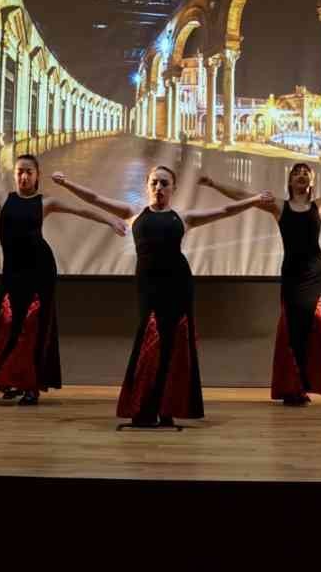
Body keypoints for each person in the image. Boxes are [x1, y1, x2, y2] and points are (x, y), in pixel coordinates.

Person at [52, 165, 272, 427]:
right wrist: (67, 184)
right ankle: (144, 407)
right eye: (155, 183)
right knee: (150, 339)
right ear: (147, 185)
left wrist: (255, 200)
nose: (159, 188)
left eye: (165, 184)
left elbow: (225, 211)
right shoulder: (134, 213)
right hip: (148, 284)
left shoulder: (183, 217)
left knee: (173, 344)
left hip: (178, 284)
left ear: (173, 189)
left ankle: (167, 408)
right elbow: (95, 199)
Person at [0, 153, 127, 405]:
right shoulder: (1, 198)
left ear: (37, 175)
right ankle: (11, 378)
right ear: (14, 174)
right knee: (8, 323)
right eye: (19, 171)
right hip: (13, 270)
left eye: (29, 171)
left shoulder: (44, 202)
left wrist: (110, 220)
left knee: (32, 326)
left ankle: (31, 385)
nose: (24, 176)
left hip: (40, 269)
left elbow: (81, 210)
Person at [200, 161, 321, 405]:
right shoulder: (279, 207)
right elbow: (244, 196)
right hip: (293, 275)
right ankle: (293, 387)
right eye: (297, 173)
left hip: (318, 274)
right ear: (290, 181)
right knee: (292, 331)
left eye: (306, 173)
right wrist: (213, 184)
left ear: (312, 181)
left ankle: (308, 384)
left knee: (317, 328)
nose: (302, 175)